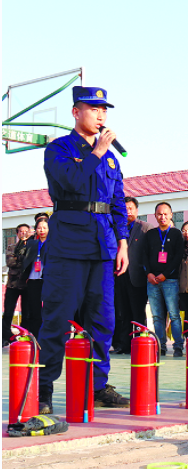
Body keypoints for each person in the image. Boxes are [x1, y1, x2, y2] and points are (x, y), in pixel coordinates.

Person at [38, 86, 130, 414]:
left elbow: (117, 200)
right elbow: (72, 183)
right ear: (76, 112)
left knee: (103, 319)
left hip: (103, 246)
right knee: (58, 319)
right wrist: (95, 154)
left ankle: (98, 386)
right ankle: (44, 390)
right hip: (68, 245)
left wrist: (123, 242)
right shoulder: (58, 149)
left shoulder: (112, 158)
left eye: (104, 109)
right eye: (93, 108)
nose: (101, 114)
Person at [112, 196, 152, 354]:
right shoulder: (116, 228)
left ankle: (140, 343)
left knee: (138, 311)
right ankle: (123, 344)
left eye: (131, 208)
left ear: (137, 210)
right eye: (125, 209)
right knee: (122, 311)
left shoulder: (145, 228)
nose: (128, 211)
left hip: (137, 276)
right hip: (119, 275)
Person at [143, 202, 184, 356]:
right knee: (157, 316)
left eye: (166, 214)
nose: (163, 217)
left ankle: (178, 345)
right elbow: (144, 256)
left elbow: (177, 257)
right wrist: (149, 274)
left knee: (174, 314)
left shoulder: (176, 234)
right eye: (160, 214)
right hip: (152, 281)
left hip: (170, 280)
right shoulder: (150, 234)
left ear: (171, 215)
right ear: (155, 216)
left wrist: (165, 274)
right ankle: (161, 345)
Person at [20, 218, 49, 339]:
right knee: (34, 309)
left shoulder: (53, 243)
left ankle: (48, 335)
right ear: (35, 229)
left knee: (48, 308)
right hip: (33, 279)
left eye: (44, 227)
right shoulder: (32, 243)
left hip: (47, 279)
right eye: (39, 228)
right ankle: (35, 336)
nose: (41, 230)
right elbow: (23, 258)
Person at [3, 224, 31, 345]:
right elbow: (10, 262)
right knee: (8, 312)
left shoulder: (32, 247)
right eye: (21, 231)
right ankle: (5, 336)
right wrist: (23, 259)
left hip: (27, 285)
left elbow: (30, 263)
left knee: (26, 312)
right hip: (12, 285)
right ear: (17, 234)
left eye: (26, 231)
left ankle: (23, 334)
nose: (23, 234)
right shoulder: (11, 246)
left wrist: (19, 258)